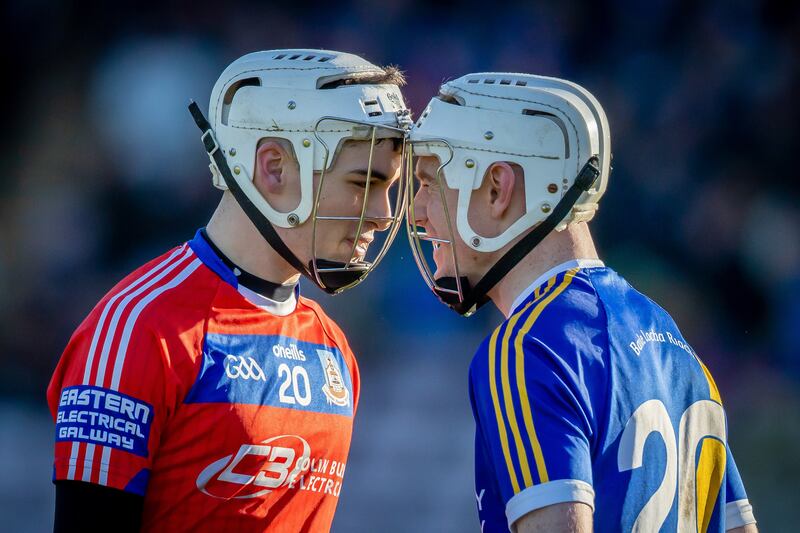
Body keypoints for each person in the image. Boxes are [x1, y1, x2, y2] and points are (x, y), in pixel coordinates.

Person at [48, 49, 411, 532]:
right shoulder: (139, 327)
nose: (384, 213)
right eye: (363, 181)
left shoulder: (333, 349)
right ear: (274, 167)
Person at [406, 72, 757, 532]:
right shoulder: (671, 339)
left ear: (497, 189)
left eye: (430, 183)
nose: (415, 210)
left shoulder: (528, 347)